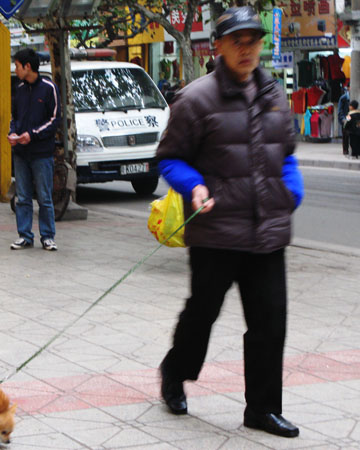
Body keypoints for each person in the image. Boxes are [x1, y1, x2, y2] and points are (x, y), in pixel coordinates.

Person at [155, 6, 304, 439]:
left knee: (270, 321)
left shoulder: (274, 94)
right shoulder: (196, 98)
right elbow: (169, 158)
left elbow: (286, 153)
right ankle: (174, 371)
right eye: (236, 41)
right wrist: (194, 186)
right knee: (202, 314)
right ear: (217, 46)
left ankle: (262, 408)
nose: (246, 48)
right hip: (217, 231)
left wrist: (292, 191)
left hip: (267, 231)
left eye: (253, 40)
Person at [8, 48, 61, 251]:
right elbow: (15, 118)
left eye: (17, 66)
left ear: (27, 66)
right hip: (21, 152)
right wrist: (13, 134)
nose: (16, 70)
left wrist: (33, 134)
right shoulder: (20, 89)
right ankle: (24, 235)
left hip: (41, 153)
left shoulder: (49, 88)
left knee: (44, 197)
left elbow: (54, 119)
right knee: (22, 196)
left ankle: (47, 236)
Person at [338, 87, 350, 155]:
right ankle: (345, 150)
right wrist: (343, 119)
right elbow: (340, 110)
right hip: (347, 117)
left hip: (353, 117)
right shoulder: (344, 98)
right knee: (346, 135)